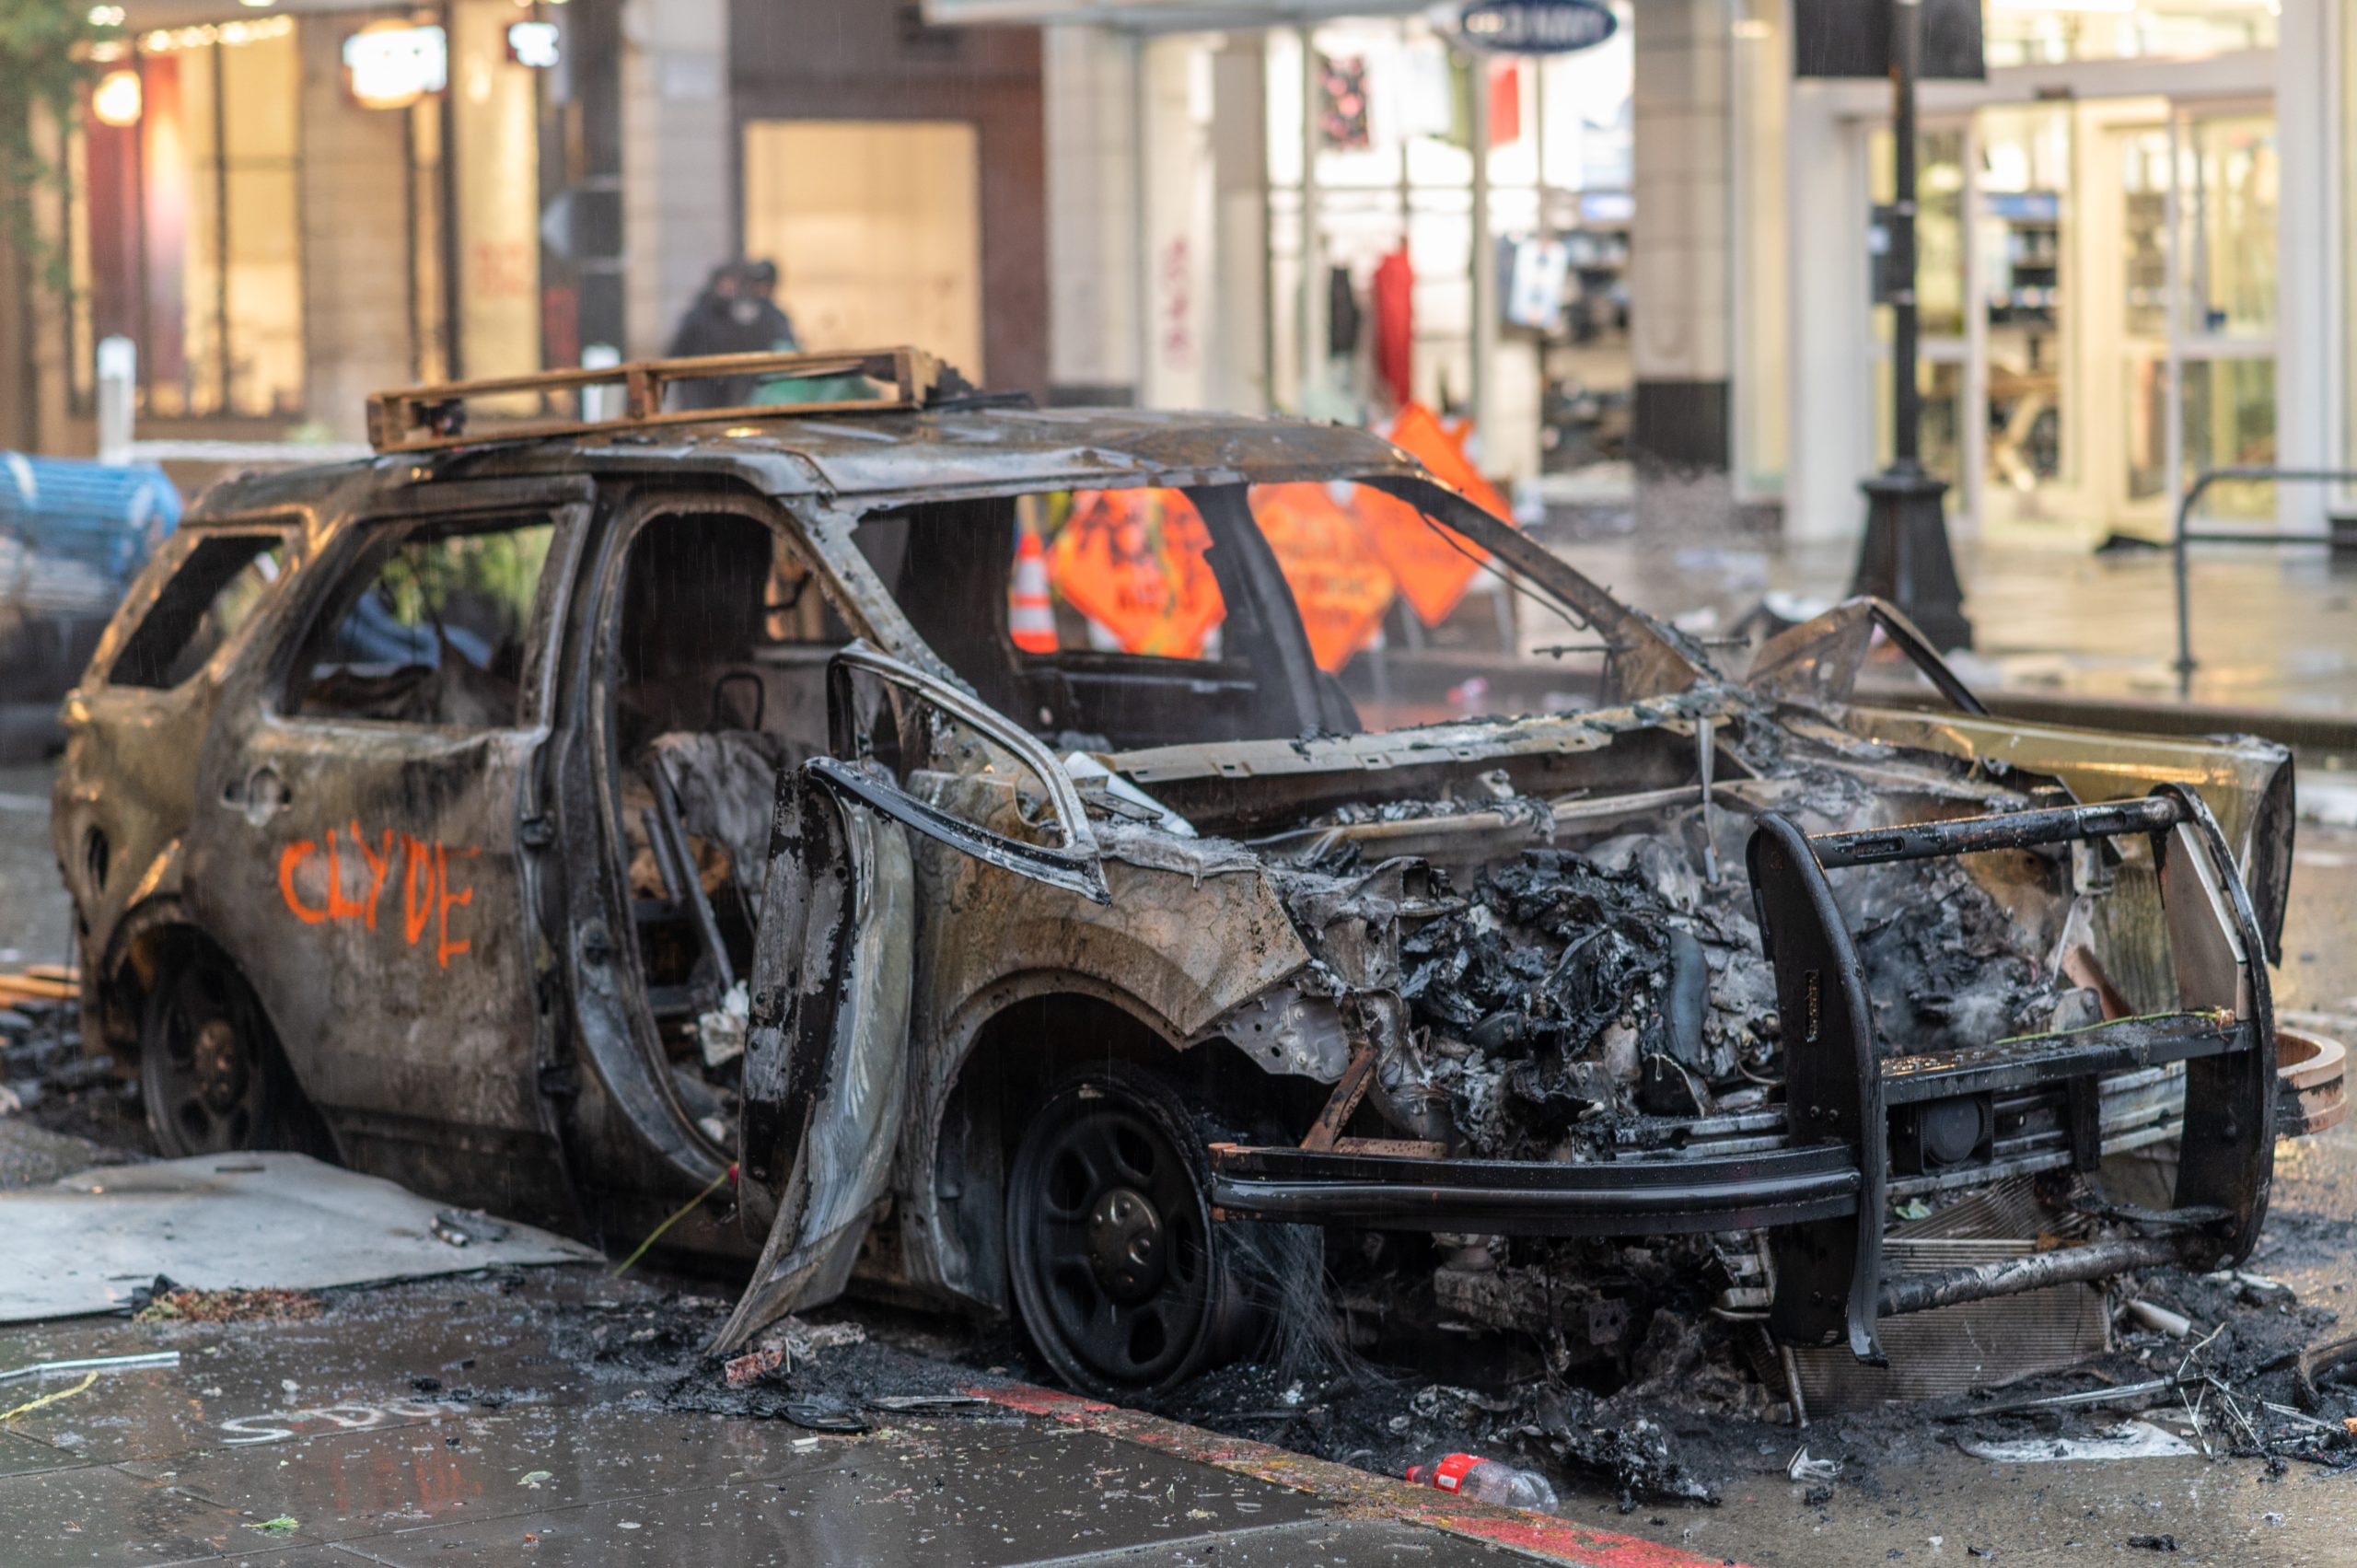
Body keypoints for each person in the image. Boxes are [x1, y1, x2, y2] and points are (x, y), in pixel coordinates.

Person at [663, 261, 801, 408]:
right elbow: (676, 352)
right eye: (725, 283)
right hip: (700, 394)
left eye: (733, 283)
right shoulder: (699, 315)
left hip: (731, 396)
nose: (729, 288)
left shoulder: (751, 315)